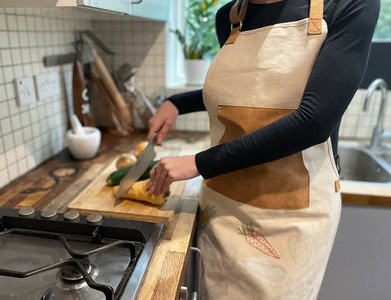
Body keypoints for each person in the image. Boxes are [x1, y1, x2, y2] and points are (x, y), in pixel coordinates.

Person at [147, 0, 380, 298]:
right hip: (223, 206)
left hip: (292, 220)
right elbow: (247, 91)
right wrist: (178, 103)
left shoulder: (348, 5)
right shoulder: (229, 18)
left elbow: (314, 121)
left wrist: (198, 163)